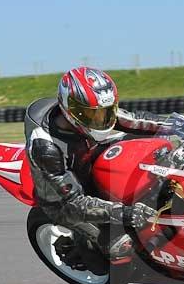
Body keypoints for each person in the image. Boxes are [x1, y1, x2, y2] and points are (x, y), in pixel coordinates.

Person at [24, 67, 165, 264]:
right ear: (69, 109)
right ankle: (84, 254)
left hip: (86, 158)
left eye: (106, 113)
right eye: (92, 115)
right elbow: (75, 204)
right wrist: (125, 213)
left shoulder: (96, 113)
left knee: (151, 152)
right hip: (64, 202)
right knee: (120, 248)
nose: (101, 120)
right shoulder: (47, 148)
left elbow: (136, 120)